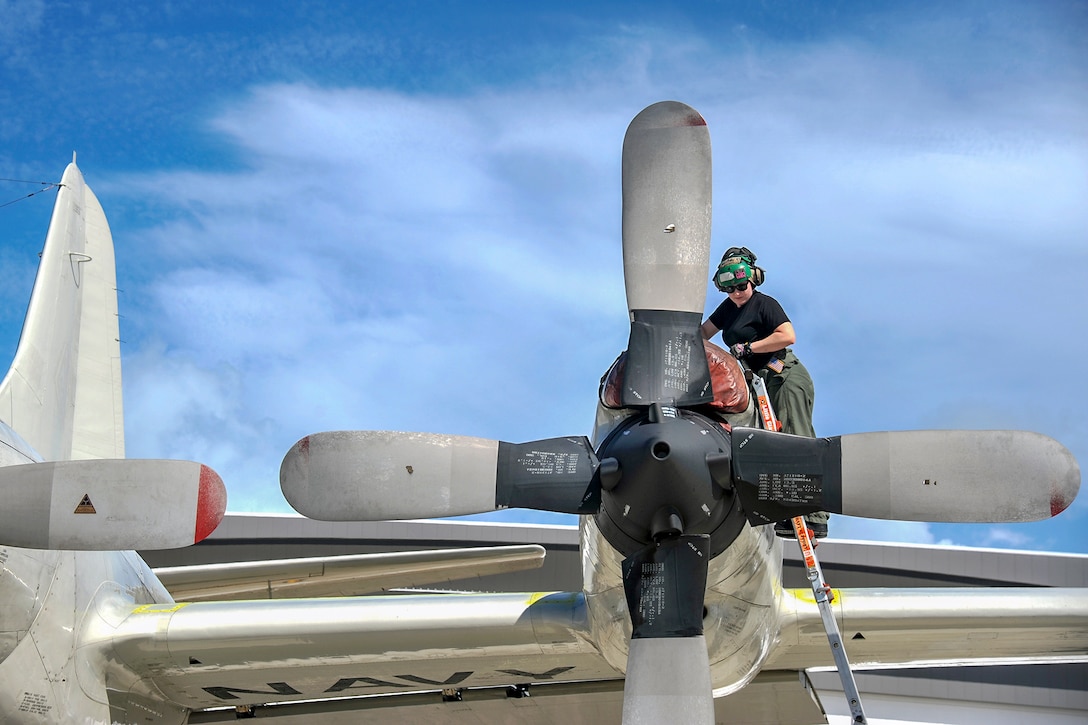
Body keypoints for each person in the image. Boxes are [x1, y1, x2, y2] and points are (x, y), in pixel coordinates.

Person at [700, 246, 828, 539]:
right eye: (729, 288)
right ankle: (789, 512)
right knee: (770, 445)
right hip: (758, 384)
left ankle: (816, 518)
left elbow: (787, 335)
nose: (736, 292)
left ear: (753, 280)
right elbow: (703, 333)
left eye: (741, 285)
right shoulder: (729, 309)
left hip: (784, 375)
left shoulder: (764, 304)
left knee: (796, 438)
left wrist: (749, 348)